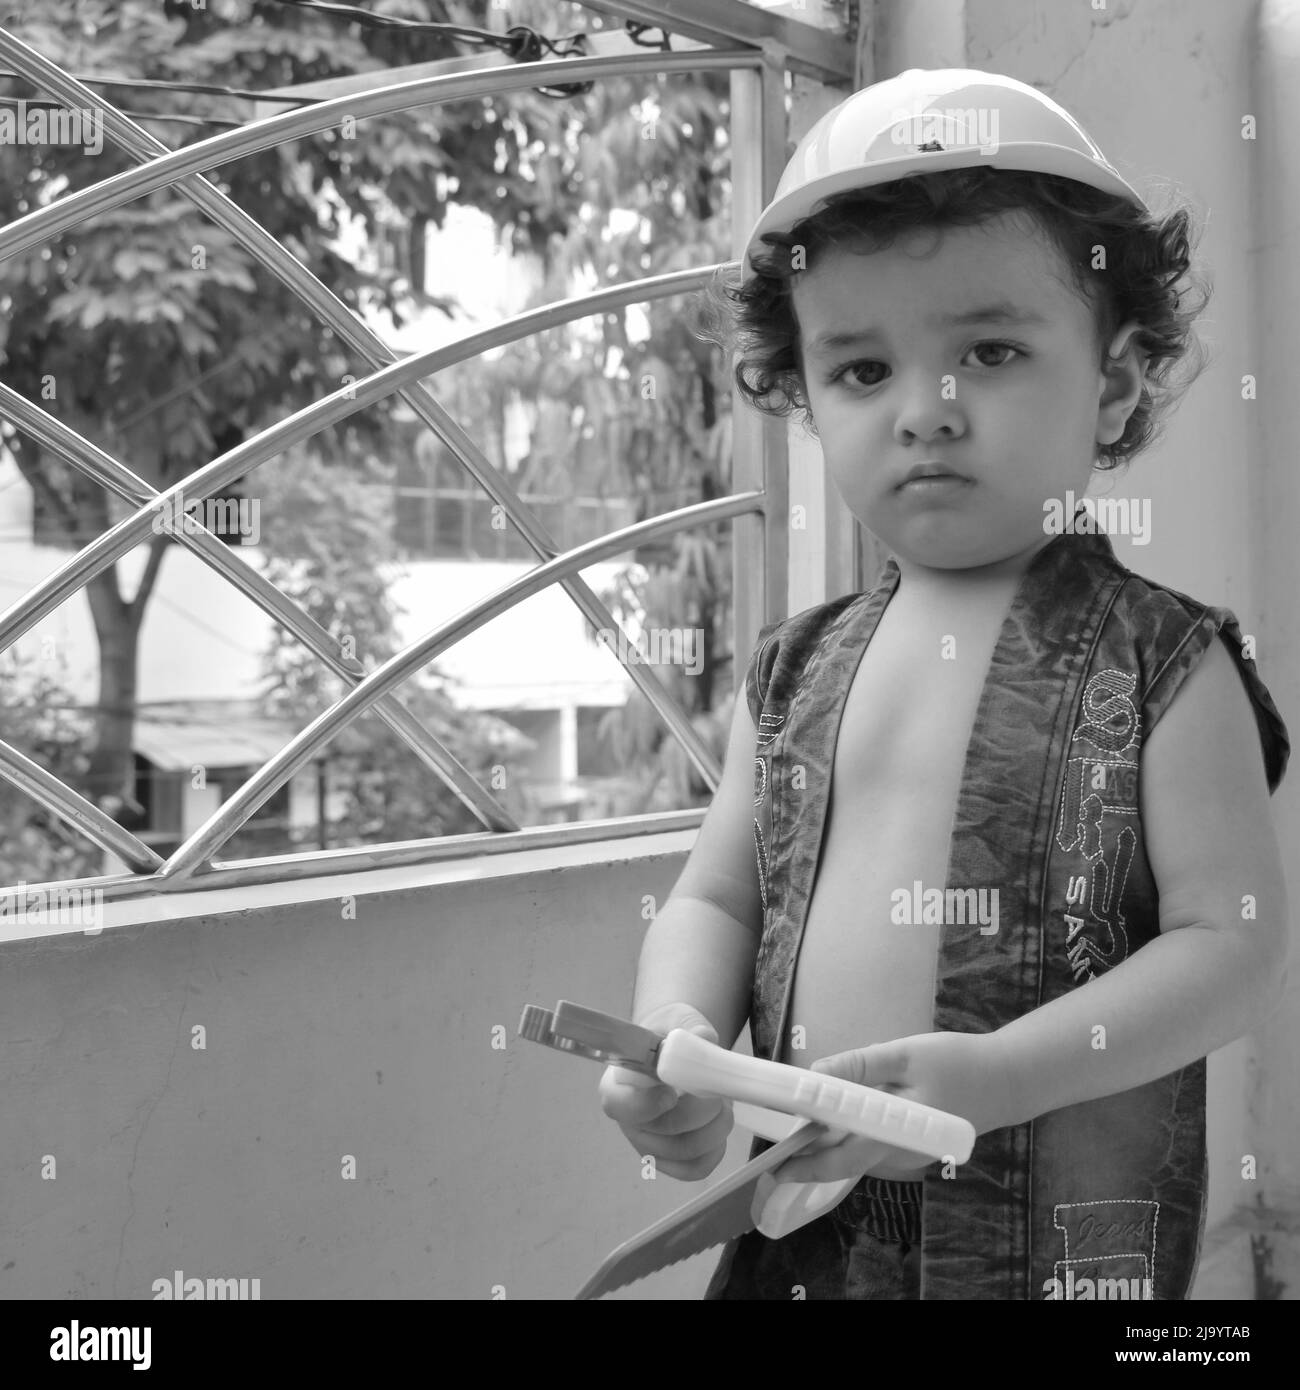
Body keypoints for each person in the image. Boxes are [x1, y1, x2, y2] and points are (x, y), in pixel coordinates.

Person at [598, 69, 1291, 1300]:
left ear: (1114, 384)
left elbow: (1228, 948)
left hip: (1050, 1246)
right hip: (794, 1226)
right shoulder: (793, 670)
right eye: (862, 370)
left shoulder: (1165, 664)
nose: (929, 410)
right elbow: (716, 899)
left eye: (990, 349)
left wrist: (998, 1077)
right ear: (805, 397)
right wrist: (680, 1041)